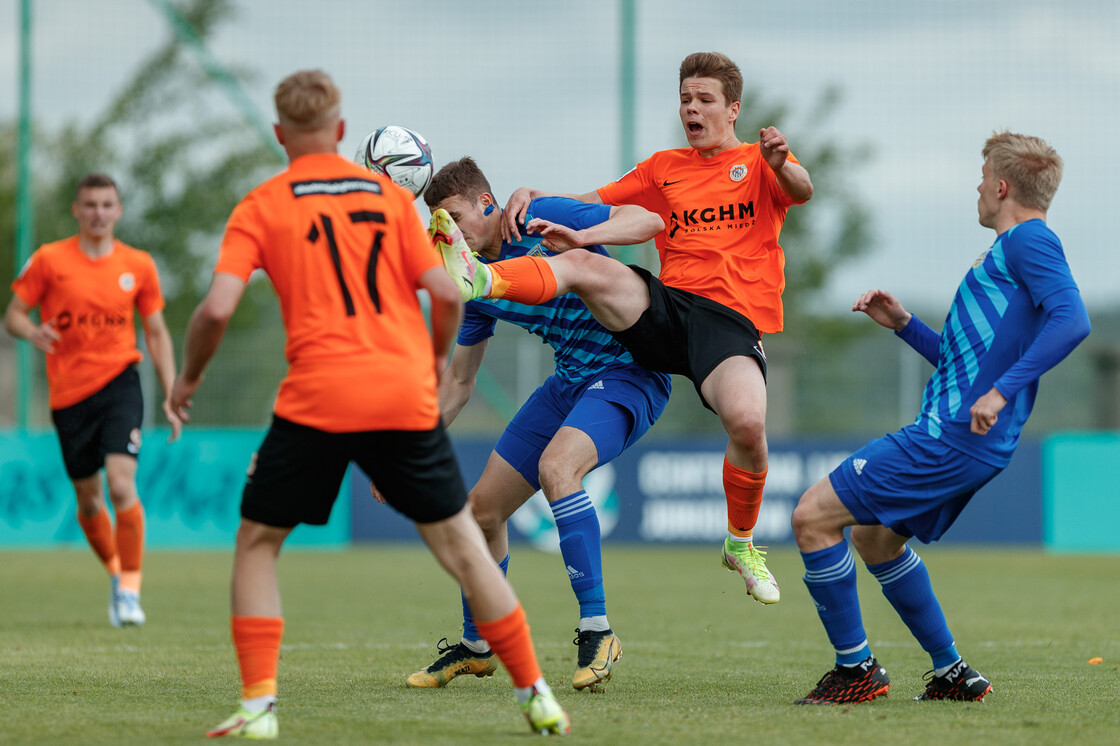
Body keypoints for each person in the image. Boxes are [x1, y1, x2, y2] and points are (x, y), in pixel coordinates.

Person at [169, 70, 569, 739]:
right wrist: (420, 373)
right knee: (464, 549)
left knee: (259, 544)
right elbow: (446, 297)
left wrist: (186, 382)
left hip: (316, 395)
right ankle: (537, 694)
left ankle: (259, 706)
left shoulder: (261, 205)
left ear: (278, 134)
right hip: (397, 394)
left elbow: (215, 309)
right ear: (343, 132)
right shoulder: (389, 204)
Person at [436, 52, 812, 604]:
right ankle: (482, 282)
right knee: (585, 262)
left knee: (749, 426)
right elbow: (590, 203)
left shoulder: (760, 162)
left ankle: (741, 542)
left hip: (727, 325)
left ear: (732, 109)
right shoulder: (662, 166)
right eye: (685, 99)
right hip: (665, 307)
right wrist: (530, 195)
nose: (692, 108)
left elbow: (801, 189)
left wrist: (781, 162)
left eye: (705, 99)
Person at [789, 131, 1090, 705]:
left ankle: (855, 670)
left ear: (1002, 187)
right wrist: (905, 325)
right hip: (969, 438)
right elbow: (968, 363)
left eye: (982, 177)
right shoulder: (1011, 253)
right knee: (877, 541)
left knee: (811, 517)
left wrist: (1001, 394)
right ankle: (952, 672)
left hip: (952, 437)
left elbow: (1073, 320)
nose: (976, 188)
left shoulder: (1029, 242)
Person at [396, 157, 670, 692]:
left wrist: (582, 235)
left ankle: (599, 630)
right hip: (569, 383)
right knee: (481, 511)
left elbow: (648, 221)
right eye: (439, 223)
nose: (449, 231)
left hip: (630, 374)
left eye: (455, 216)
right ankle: (478, 647)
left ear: (486, 204)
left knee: (557, 468)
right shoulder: (476, 283)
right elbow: (457, 383)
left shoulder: (539, 214)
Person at [5, 172, 181, 628]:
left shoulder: (138, 265)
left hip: (122, 382)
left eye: (107, 205)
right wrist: (32, 331)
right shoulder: (49, 260)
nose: (99, 213)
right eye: (91, 205)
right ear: (77, 211)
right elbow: (13, 316)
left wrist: (173, 390)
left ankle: (130, 591)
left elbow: (157, 333)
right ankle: (116, 575)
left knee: (122, 485)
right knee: (89, 500)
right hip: (69, 395)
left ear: (119, 210)